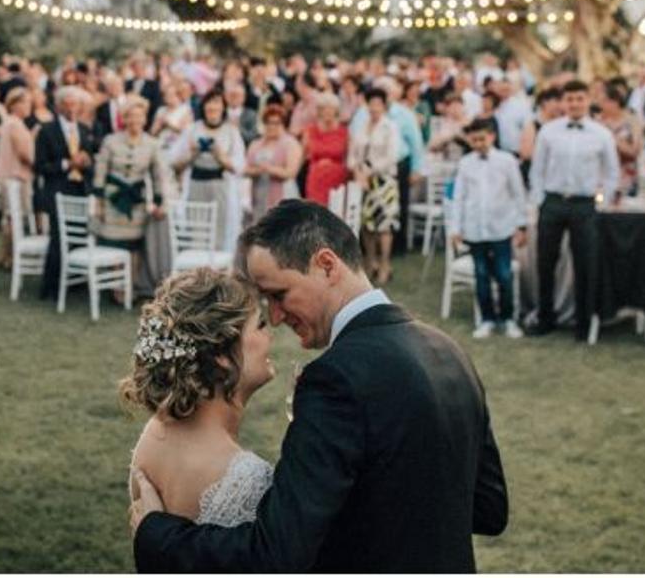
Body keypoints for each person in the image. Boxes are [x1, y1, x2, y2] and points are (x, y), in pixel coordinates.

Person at [130, 200, 508, 572]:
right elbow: (489, 509)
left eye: (278, 294)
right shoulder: (450, 351)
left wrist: (157, 534)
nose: (275, 317)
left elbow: (277, 554)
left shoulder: (335, 379)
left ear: (326, 265)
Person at [122, 268, 275, 525]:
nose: (270, 335)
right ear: (222, 355)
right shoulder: (249, 481)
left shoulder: (154, 434)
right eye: (260, 325)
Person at [528, 79, 620, 339]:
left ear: (588, 100)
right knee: (545, 262)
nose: (575, 104)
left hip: (584, 205)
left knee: (585, 265)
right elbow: (537, 170)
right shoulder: (548, 131)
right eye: (570, 99)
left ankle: (583, 322)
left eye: (579, 99)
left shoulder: (602, 135)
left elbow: (612, 173)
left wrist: (601, 202)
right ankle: (545, 318)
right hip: (553, 202)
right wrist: (539, 200)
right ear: (563, 102)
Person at [448, 118, 528, 339]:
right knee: (481, 274)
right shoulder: (465, 163)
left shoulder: (507, 161)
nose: (478, 143)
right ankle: (487, 319)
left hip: (501, 227)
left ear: (492, 136)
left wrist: (521, 225)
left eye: (482, 139)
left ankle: (509, 318)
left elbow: (518, 193)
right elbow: (459, 197)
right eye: (474, 140)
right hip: (475, 228)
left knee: (504, 274)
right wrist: (456, 227)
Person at [92, 96, 167, 299]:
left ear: (145, 119)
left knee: (134, 246)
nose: (135, 120)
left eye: (139, 116)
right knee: (116, 244)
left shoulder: (152, 143)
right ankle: (116, 286)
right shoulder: (110, 140)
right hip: (113, 200)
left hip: (136, 202)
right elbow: (100, 171)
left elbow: (159, 174)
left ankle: (130, 285)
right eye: (130, 116)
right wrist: (98, 201)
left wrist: (159, 200)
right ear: (124, 119)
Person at [35, 86, 97, 298]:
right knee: (58, 238)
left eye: (76, 104)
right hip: (57, 190)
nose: (72, 108)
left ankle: (75, 283)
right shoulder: (47, 130)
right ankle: (52, 286)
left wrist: (87, 162)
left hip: (81, 190)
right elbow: (41, 165)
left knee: (79, 235)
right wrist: (66, 164)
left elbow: (92, 160)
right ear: (59, 106)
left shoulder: (85, 130)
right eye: (68, 104)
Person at [173, 89, 245, 253]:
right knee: (196, 232)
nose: (213, 107)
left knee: (220, 230)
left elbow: (239, 167)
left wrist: (220, 155)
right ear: (204, 107)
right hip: (196, 183)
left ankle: (217, 271)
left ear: (223, 108)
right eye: (209, 103)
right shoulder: (192, 129)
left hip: (220, 185)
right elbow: (175, 163)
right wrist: (193, 152)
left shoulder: (231, 132)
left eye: (217, 103)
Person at [348, 87, 400, 285]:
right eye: (371, 103)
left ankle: (386, 264)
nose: (374, 107)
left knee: (384, 226)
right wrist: (355, 169)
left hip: (383, 181)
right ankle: (371, 262)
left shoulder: (390, 127)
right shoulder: (362, 126)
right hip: (362, 181)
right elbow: (353, 152)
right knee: (367, 225)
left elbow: (391, 156)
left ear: (384, 105)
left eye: (378, 103)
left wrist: (369, 170)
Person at [0, 88, 36, 269]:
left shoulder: (12, 123)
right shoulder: (14, 124)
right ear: (15, 104)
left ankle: (6, 257)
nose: (29, 106)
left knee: (11, 217)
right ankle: (9, 257)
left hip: (9, 175)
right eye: (26, 102)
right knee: (13, 218)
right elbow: (23, 154)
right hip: (15, 176)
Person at [244, 106, 302, 222]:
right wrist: (257, 170)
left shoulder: (290, 144)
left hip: (283, 191)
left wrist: (269, 168)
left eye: (276, 123)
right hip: (259, 191)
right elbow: (246, 168)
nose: (272, 126)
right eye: (268, 123)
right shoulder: (256, 144)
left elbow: (291, 172)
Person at [300, 92, 348, 207]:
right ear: (319, 111)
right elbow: (303, 155)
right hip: (316, 177)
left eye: (330, 109)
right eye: (324, 109)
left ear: (336, 111)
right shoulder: (310, 131)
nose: (327, 112)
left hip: (337, 178)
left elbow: (348, 157)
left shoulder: (344, 132)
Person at [597, 84, 643, 196]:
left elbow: (635, 151)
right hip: (602, 176)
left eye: (604, 101)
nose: (600, 105)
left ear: (615, 101)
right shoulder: (597, 121)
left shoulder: (632, 121)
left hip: (626, 175)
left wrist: (611, 136)